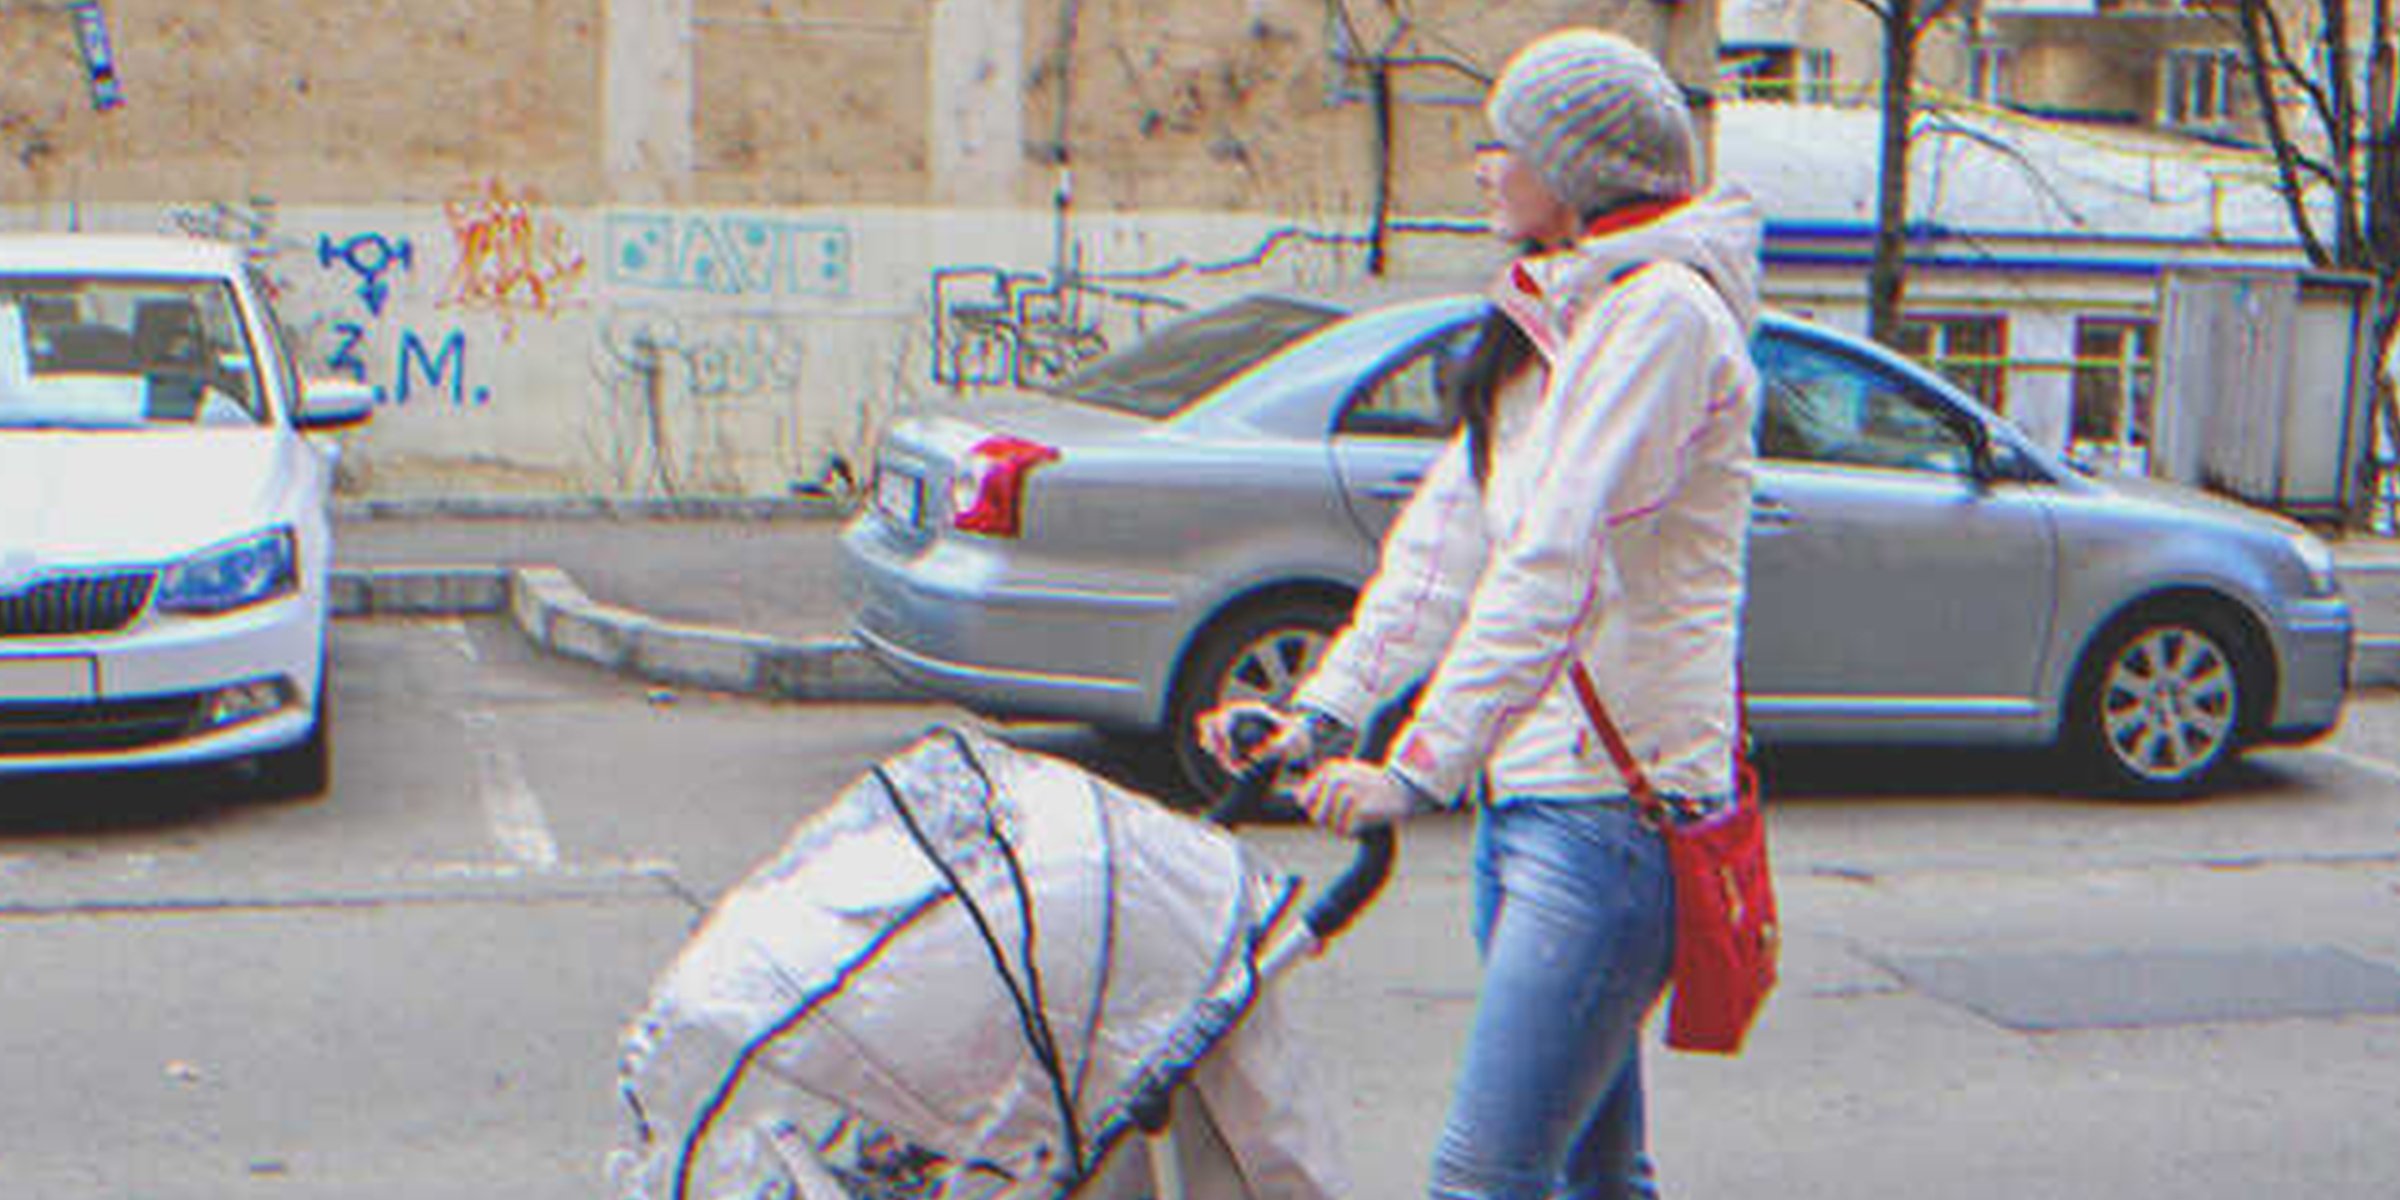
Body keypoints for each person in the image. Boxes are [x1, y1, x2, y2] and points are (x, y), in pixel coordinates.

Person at [1197, 27, 1764, 1200]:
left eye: (1502, 140)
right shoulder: (1548, 325)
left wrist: (1415, 767)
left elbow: (1559, 565)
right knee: (1597, 1178)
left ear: (1577, 161)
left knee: (1485, 1176)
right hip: (1542, 803)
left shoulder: (1660, 318)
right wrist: (1319, 714)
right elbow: (1441, 556)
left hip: (1618, 819)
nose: (1481, 163)